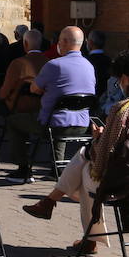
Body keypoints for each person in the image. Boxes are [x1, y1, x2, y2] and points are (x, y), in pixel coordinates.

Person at [22, 49, 129, 253]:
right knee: (85, 162)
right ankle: (51, 204)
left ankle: (85, 234)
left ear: (124, 78)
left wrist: (98, 139)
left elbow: (106, 154)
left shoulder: (125, 108)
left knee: (86, 170)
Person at [24, 26, 95, 178]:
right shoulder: (89, 66)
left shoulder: (54, 65)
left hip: (53, 123)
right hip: (82, 123)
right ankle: (57, 168)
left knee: (14, 122)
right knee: (60, 117)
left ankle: (22, 167)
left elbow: (34, 88)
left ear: (63, 41)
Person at [0, 29, 50, 181]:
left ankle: (22, 166)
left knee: (12, 122)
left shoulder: (19, 64)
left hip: (20, 109)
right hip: (44, 110)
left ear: (25, 44)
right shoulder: (49, 63)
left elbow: (4, 93)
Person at [85, 31, 110, 99]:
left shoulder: (86, 61)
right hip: (105, 96)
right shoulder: (109, 60)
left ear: (90, 42)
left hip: (90, 96)